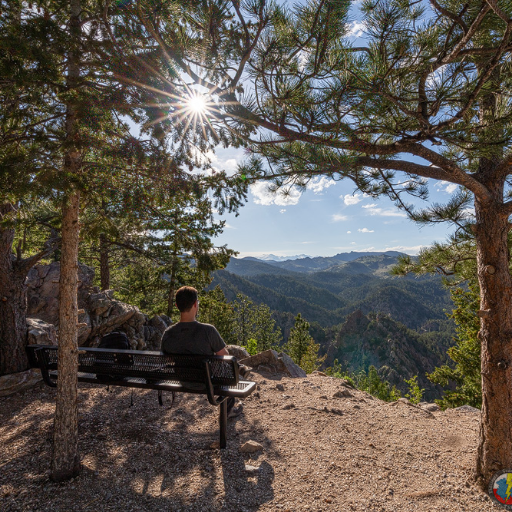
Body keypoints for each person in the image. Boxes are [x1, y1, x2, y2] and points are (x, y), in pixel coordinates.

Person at [161, 286, 244, 418]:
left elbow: (165, 360)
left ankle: (240, 371)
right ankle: (228, 409)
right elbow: (224, 356)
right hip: (206, 381)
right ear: (195, 304)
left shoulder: (168, 333)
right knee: (230, 367)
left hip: (182, 379)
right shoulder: (208, 330)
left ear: (177, 306)